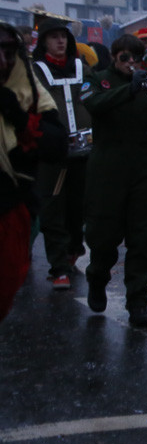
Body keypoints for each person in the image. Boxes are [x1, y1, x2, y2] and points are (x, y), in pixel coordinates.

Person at [83, 34, 147, 327]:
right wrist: (128, 91)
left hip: (143, 166)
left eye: (136, 58)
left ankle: (138, 301)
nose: (130, 63)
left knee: (142, 238)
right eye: (124, 58)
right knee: (103, 236)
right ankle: (97, 278)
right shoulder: (96, 79)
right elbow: (94, 104)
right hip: (108, 168)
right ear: (114, 58)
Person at [0, 23, 64, 323]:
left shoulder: (28, 91)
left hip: (10, 212)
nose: (2, 62)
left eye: (9, 53)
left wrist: (16, 113)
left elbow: (55, 145)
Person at [32, 18, 94, 291]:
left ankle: (73, 249)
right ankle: (58, 266)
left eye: (63, 37)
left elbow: (96, 100)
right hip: (52, 154)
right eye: (53, 37)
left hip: (84, 151)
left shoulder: (83, 67)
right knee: (52, 207)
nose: (60, 41)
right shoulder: (35, 71)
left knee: (78, 207)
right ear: (44, 41)